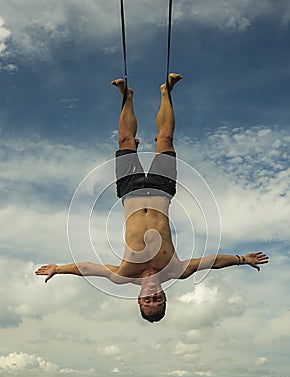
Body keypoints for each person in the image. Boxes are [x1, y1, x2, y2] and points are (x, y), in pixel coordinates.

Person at [35, 73, 269, 322]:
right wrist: (243, 259)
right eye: (157, 300)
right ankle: (166, 91)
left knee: (125, 141)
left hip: (130, 190)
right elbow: (211, 261)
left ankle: (127, 96)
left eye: (148, 301)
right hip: (162, 190)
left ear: (139, 299)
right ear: (165, 297)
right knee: (166, 138)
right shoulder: (176, 271)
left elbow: (87, 268)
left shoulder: (124, 274)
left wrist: (58, 269)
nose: (153, 296)